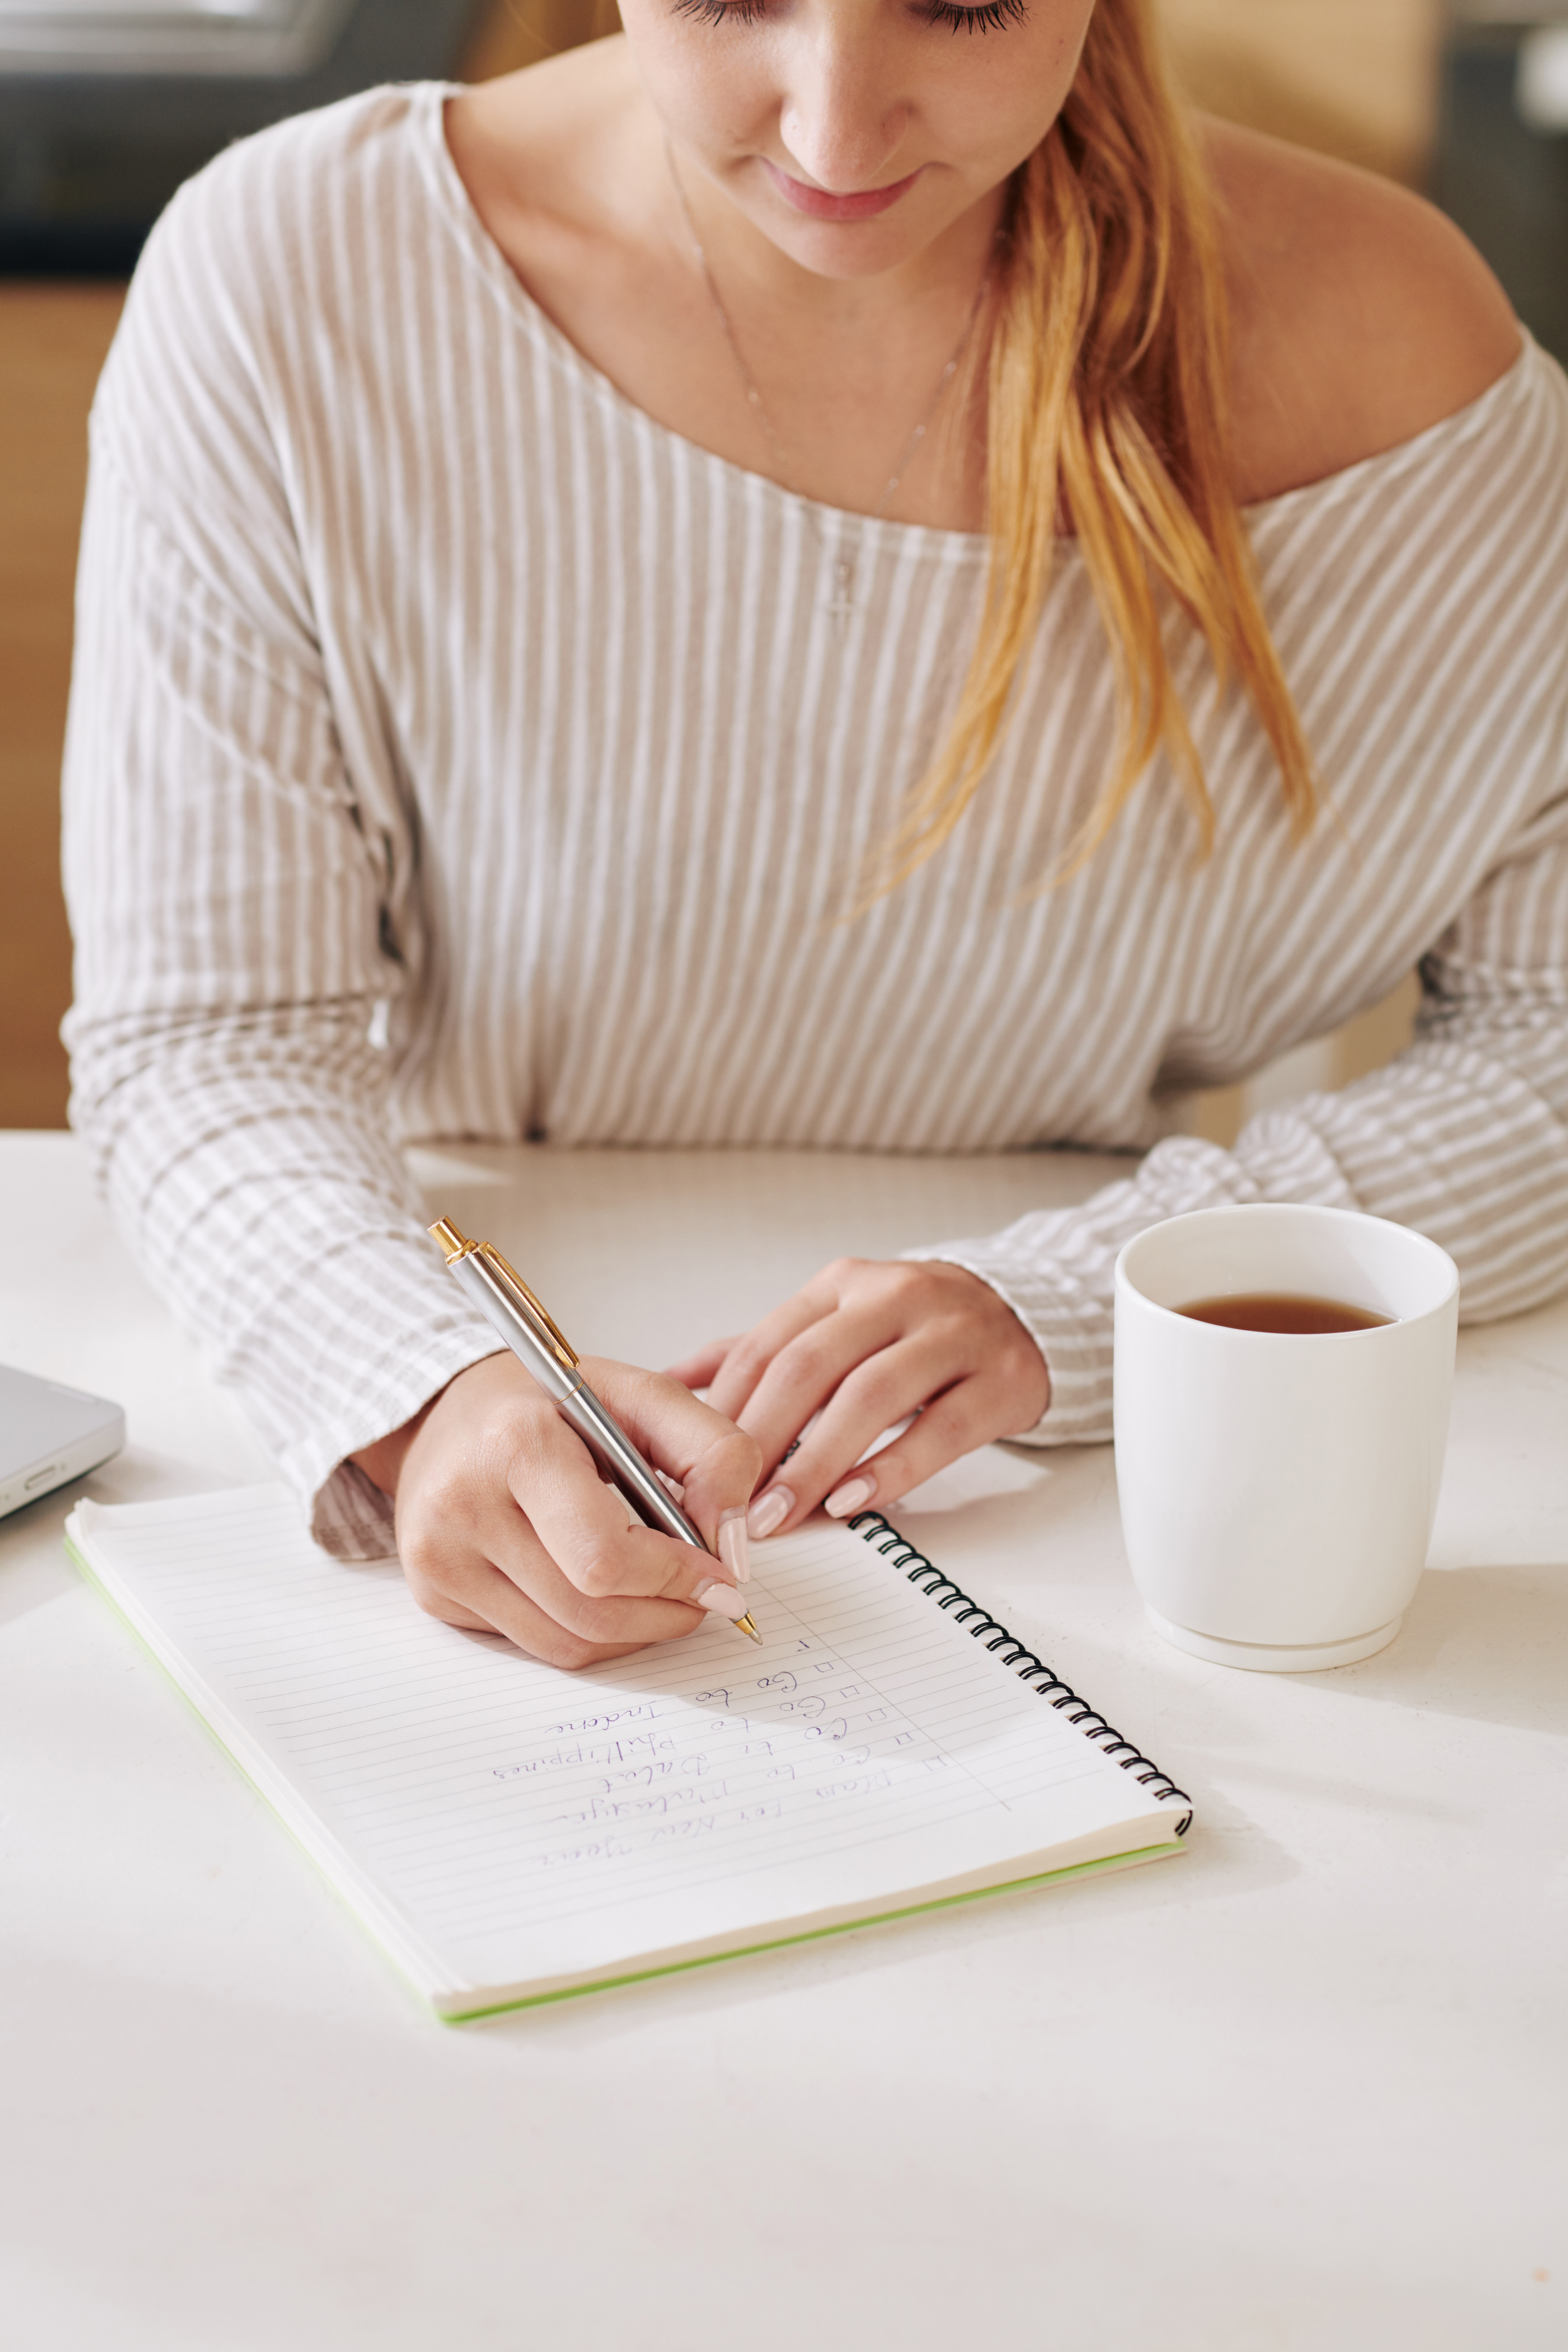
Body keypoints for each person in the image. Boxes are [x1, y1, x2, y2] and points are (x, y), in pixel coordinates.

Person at [63, 0, 1567, 1669]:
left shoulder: (1397, 359)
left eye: (969, 0)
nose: (836, 137)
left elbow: (1553, 1039)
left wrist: (1070, 1300)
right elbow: (205, 1033)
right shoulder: (300, 280)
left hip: (1087, 1526)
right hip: (500, 1398)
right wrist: (416, 1387)